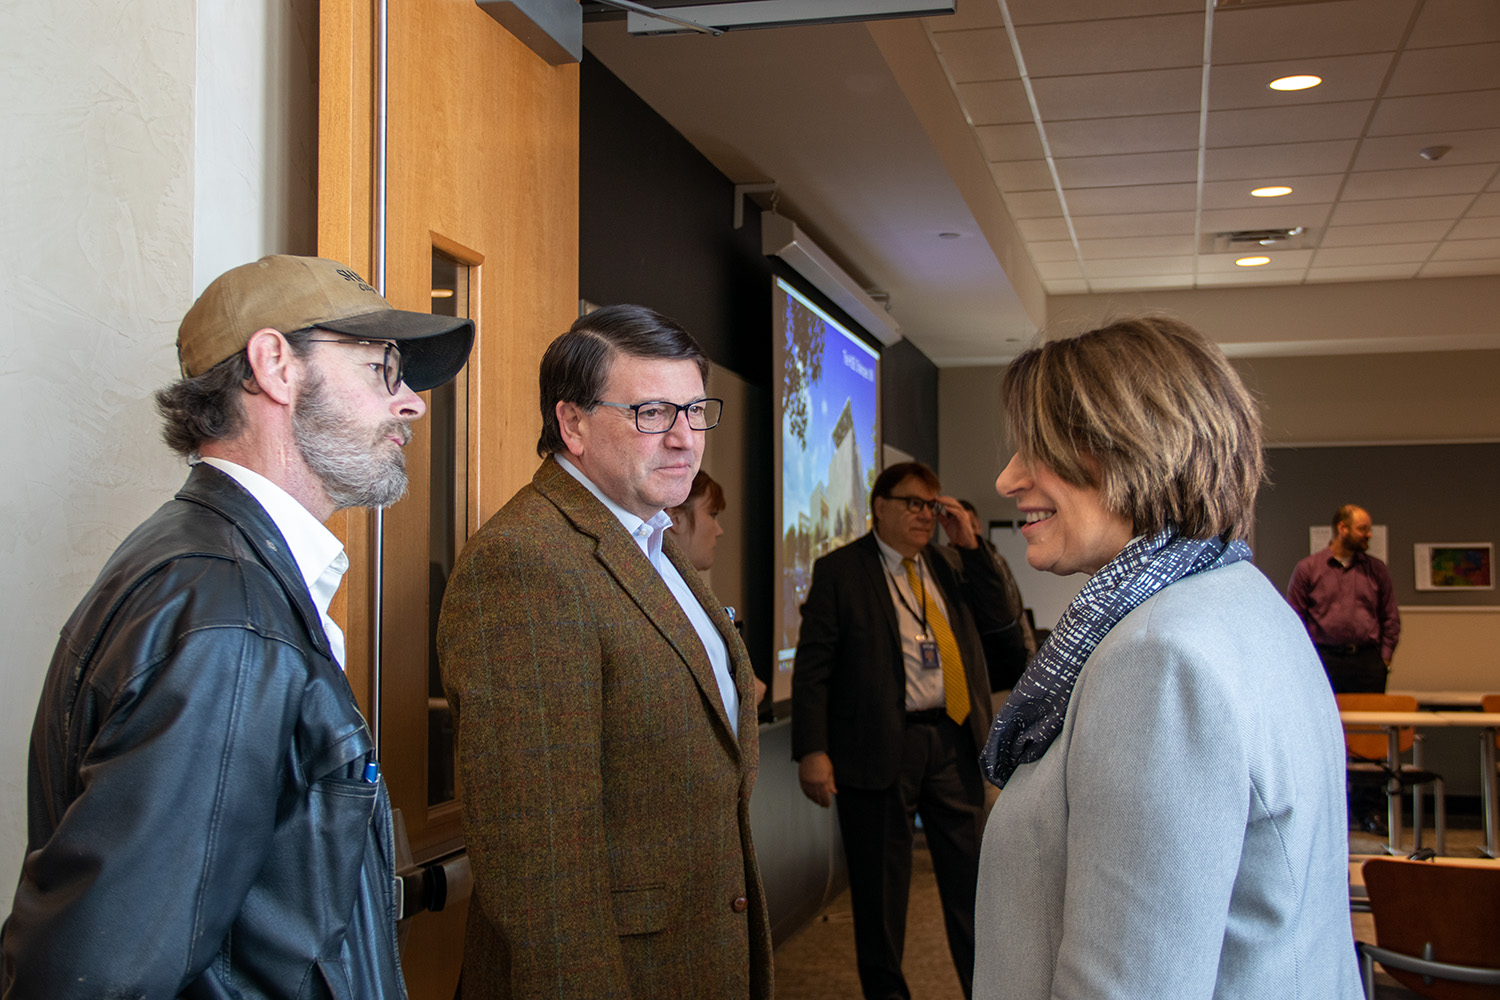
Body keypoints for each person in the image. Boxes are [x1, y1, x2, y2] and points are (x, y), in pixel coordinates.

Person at [1, 254, 474, 998]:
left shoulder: (210, 566)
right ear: (275, 364)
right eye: (383, 367)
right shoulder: (228, 613)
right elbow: (104, 975)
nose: (411, 402)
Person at [974, 317, 1360, 1000]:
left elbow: (1127, 986)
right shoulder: (1241, 597)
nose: (1007, 479)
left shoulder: (1157, 657)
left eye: (1039, 448)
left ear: (1134, 448)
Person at [437, 305, 772, 999]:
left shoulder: (648, 539)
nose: (685, 439)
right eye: (652, 413)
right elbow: (540, 859)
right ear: (573, 424)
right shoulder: (526, 562)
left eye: (695, 411)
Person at [792, 461, 1008, 1000]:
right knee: (881, 897)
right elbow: (814, 667)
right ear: (880, 506)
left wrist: (974, 546)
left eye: (931, 506)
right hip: (879, 747)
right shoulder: (840, 571)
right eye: (913, 503)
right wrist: (812, 750)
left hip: (953, 740)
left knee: (970, 888)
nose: (924, 516)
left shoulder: (950, 563)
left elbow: (1002, 618)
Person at [666, 469, 768, 703]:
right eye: (712, 514)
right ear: (675, 518)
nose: (719, 530)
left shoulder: (693, 594)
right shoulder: (665, 600)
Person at [1287, 504, 1401, 693]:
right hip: (1323, 661)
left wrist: (1385, 658)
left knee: (1370, 721)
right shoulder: (1308, 569)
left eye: (1369, 529)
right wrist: (1303, 661)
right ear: (1342, 529)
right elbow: (1295, 619)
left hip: (1368, 663)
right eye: (1362, 529)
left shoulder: (1377, 570)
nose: (1369, 534)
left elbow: (1390, 616)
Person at [940, 498, 1036, 691]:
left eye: (970, 525)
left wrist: (1029, 650)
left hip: (1013, 656)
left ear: (979, 526)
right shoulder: (950, 565)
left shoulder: (997, 561)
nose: (968, 532)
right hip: (984, 667)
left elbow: (1015, 608)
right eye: (960, 525)